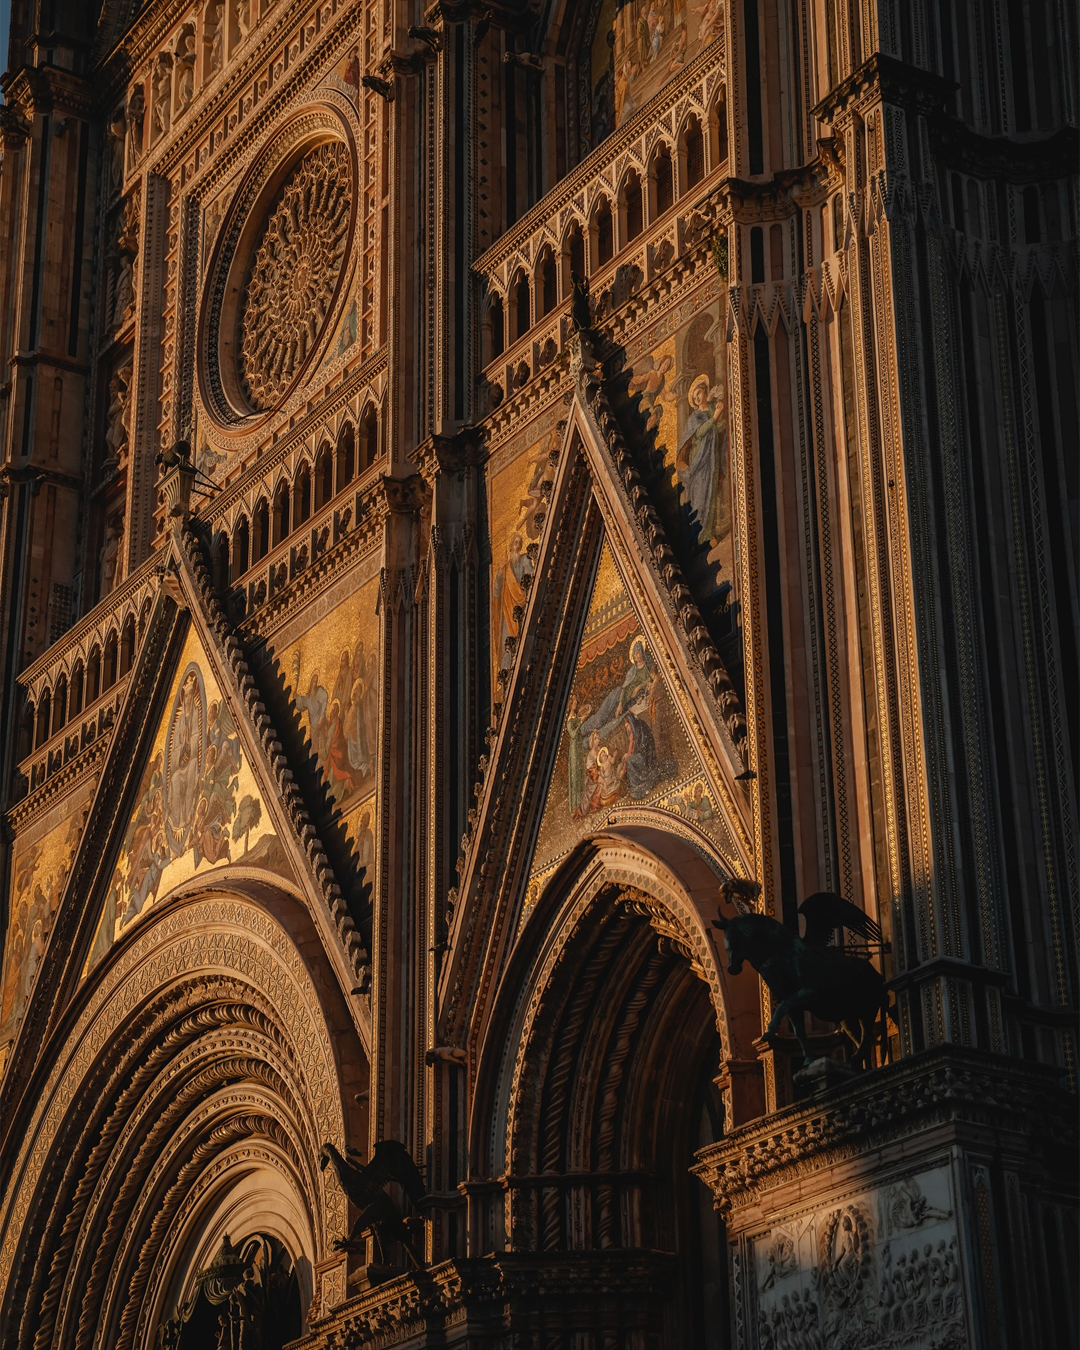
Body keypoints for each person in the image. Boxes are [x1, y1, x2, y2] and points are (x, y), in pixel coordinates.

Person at [676, 373, 726, 549]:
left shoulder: (713, 407)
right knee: (700, 494)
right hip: (699, 459)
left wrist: (719, 417)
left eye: (699, 393)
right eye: (694, 396)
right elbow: (698, 434)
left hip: (712, 456)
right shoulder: (694, 417)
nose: (697, 398)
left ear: (705, 392)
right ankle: (700, 536)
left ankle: (709, 533)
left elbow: (719, 429)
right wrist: (714, 418)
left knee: (711, 491)